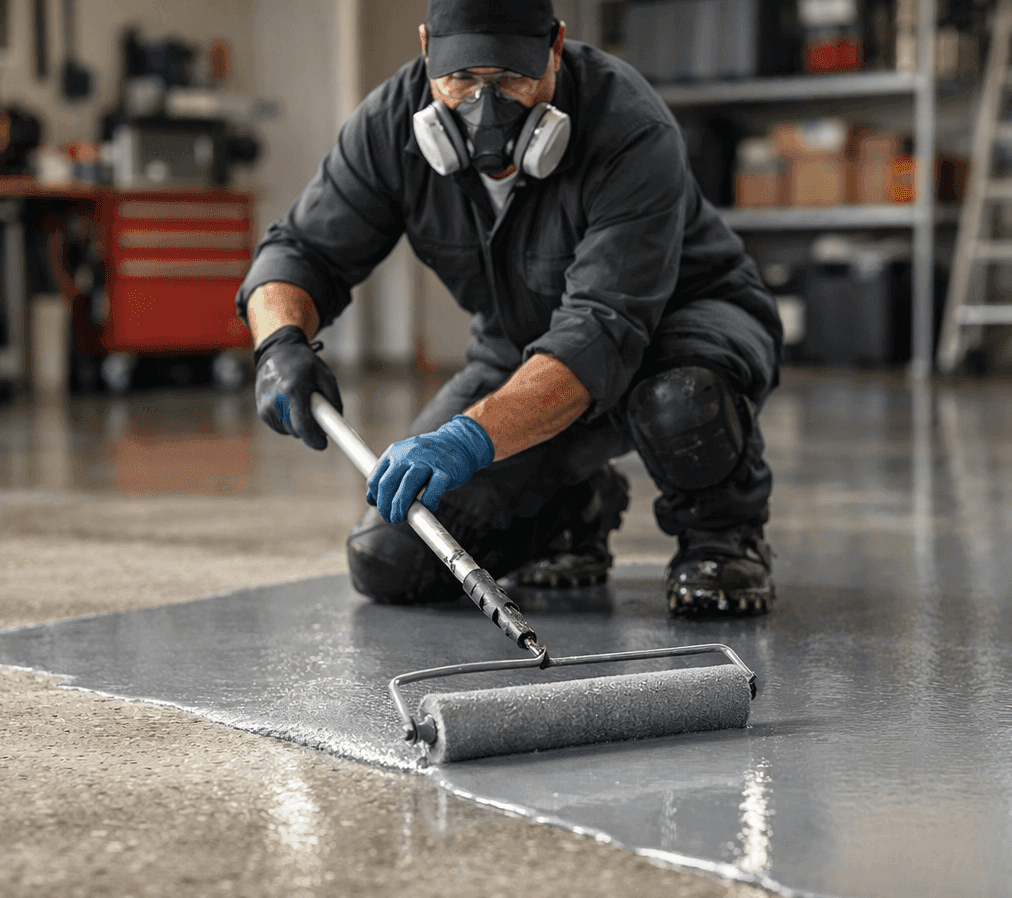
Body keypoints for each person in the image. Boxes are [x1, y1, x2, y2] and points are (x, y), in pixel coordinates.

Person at [237, 0, 782, 617]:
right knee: (390, 561)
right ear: (426, 47)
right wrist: (279, 341)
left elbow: (599, 333)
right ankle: (574, 510)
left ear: (555, 47)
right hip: (519, 352)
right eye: (461, 78)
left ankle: (722, 535)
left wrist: (467, 440)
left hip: (679, 328)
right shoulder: (390, 125)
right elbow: (300, 251)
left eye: (510, 79)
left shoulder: (628, 124)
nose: (485, 109)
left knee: (679, 399)